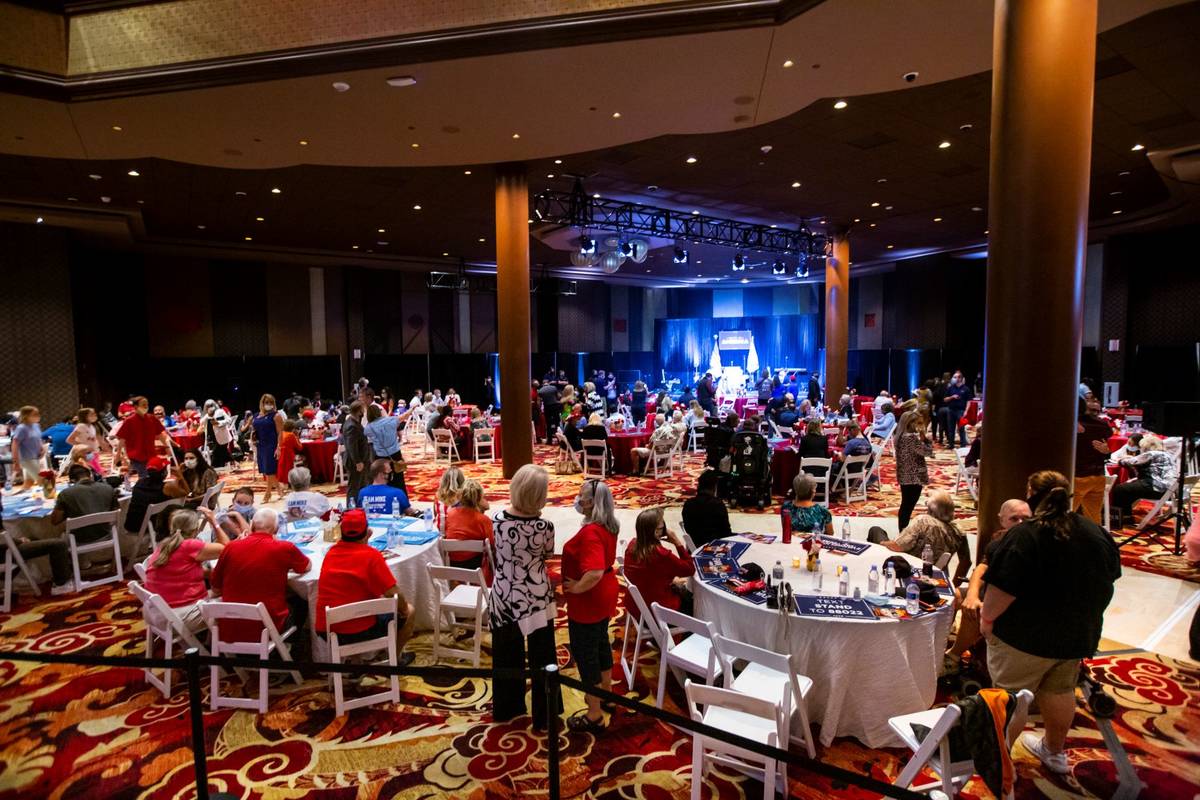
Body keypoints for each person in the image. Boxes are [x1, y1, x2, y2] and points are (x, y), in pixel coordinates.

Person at [981, 470, 1121, 775]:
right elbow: (1109, 581)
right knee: (1060, 691)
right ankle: (1054, 751)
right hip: (1075, 635)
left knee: (1011, 698)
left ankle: (1000, 762)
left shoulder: (1025, 535)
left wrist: (987, 620)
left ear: (1030, 492)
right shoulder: (1093, 531)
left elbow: (1001, 590)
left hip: (1025, 637)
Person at [490, 464, 561, 727]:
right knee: (543, 657)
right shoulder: (545, 527)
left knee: (506, 655)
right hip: (535, 595)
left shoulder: (496, 520)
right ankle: (545, 715)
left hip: (504, 594)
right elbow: (547, 556)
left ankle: (508, 708)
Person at [315, 508, 416, 665]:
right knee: (409, 611)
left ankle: (356, 662)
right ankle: (395, 661)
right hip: (359, 630)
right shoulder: (371, 555)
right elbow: (394, 594)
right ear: (367, 532)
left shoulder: (330, 553)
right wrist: (402, 610)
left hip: (327, 629)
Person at [562, 480, 620, 733]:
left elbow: (594, 572)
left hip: (589, 599)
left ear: (593, 502)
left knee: (586, 653)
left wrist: (575, 588)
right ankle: (607, 695)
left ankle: (594, 714)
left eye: (582, 496)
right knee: (600, 643)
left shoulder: (591, 534)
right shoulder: (609, 525)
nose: (578, 498)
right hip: (606, 593)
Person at [946, 498, 1031, 664]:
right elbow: (982, 568)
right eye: (1014, 519)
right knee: (954, 596)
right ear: (1002, 520)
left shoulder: (1031, 542)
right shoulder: (1000, 538)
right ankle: (942, 641)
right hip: (996, 591)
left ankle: (954, 656)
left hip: (1015, 600)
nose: (1021, 523)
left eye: (1026, 519)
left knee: (975, 608)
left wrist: (976, 599)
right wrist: (971, 594)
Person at [210, 508, 312, 643]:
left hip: (230, 628)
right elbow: (306, 566)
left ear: (251, 526)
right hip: (268, 627)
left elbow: (216, 588)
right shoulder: (284, 548)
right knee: (301, 600)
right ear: (276, 530)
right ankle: (291, 649)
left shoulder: (231, 547)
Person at [145, 507, 228, 632]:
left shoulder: (164, 545)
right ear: (195, 530)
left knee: (217, 591)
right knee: (234, 597)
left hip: (155, 613)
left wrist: (213, 575)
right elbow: (228, 548)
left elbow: (183, 572)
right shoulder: (189, 545)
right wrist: (213, 522)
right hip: (178, 617)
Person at [624, 507, 695, 620]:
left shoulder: (632, 545)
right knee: (694, 602)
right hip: (658, 613)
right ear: (656, 532)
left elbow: (651, 574)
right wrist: (677, 542)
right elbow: (690, 569)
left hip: (636, 607)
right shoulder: (661, 555)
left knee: (678, 586)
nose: (665, 529)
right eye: (662, 527)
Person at [869, 490, 968, 565]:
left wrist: (881, 543)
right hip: (937, 569)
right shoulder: (959, 530)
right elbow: (966, 562)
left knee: (875, 531)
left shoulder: (923, 521)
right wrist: (954, 585)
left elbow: (897, 546)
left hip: (908, 564)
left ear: (931, 510)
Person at [1112, 434, 1177, 524]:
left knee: (1119, 489)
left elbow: (1128, 462)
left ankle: (1124, 516)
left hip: (1157, 488)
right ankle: (1127, 513)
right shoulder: (1167, 455)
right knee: (1132, 486)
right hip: (1170, 491)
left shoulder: (1150, 454)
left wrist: (1121, 460)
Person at [51, 463, 121, 544]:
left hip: (78, 538)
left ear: (72, 481)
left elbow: (55, 521)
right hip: (105, 533)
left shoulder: (65, 494)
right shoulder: (108, 488)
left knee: (61, 534)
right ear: (90, 476)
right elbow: (115, 510)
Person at [1073, 396, 1112, 525]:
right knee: (1094, 519)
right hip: (1098, 476)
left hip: (1078, 476)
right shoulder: (1103, 425)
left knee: (1064, 516)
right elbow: (1109, 439)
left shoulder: (1073, 425)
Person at [444, 479, 492, 570]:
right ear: (479, 499)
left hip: (453, 564)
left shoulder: (451, 513)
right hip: (476, 566)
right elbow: (492, 546)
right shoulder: (483, 520)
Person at [895, 413, 932, 530]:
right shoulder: (911, 438)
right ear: (910, 423)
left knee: (905, 505)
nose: (919, 426)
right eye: (918, 423)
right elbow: (927, 452)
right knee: (908, 506)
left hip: (904, 474)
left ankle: (902, 530)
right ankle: (903, 532)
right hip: (914, 476)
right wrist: (926, 440)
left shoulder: (900, 436)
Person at [117, 396, 170, 478]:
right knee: (145, 477)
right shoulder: (129, 421)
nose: (146, 406)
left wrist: (167, 447)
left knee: (157, 475)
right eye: (143, 404)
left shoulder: (152, 418)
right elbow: (122, 439)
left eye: (147, 404)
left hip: (151, 454)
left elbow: (160, 434)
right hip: (137, 456)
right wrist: (118, 456)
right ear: (135, 407)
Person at [681, 470, 732, 546]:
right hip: (716, 547)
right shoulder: (718, 505)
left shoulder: (688, 504)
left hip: (694, 546)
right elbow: (726, 532)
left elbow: (687, 528)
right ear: (715, 487)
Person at [252, 394, 285, 503]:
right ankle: (279, 489)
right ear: (262, 403)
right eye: (267, 402)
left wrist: (278, 447)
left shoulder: (276, 416)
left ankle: (268, 493)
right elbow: (254, 429)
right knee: (266, 471)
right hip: (260, 445)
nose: (269, 405)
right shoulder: (256, 415)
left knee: (270, 470)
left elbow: (280, 433)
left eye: (271, 403)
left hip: (271, 445)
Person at [342, 401, 371, 509]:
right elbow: (351, 447)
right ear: (359, 411)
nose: (364, 411)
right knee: (354, 487)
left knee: (360, 486)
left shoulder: (354, 422)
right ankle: (351, 510)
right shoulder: (351, 426)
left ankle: (359, 509)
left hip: (359, 461)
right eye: (362, 409)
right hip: (354, 462)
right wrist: (358, 462)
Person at [12, 405, 46, 490]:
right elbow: (15, 444)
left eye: (38, 414)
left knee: (28, 482)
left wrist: (42, 449)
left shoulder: (36, 426)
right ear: (26, 416)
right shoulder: (21, 428)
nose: (38, 416)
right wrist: (15, 461)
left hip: (36, 457)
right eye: (35, 414)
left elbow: (38, 439)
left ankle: (16, 499)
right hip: (27, 459)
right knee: (43, 481)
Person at [937, 371, 973, 447]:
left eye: (956, 377)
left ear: (960, 378)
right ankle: (951, 444)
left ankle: (963, 444)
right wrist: (952, 397)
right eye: (954, 377)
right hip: (951, 410)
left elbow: (969, 401)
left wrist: (966, 411)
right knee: (951, 429)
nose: (955, 378)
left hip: (961, 411)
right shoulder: (950, 388)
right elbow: (945, 399)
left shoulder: (966, 389)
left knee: (961, 429)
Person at [67, 407, 105, 476]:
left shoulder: (92, 426)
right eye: (92, 414)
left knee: (96, 472)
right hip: (86, 454)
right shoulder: (81, 426)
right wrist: (82, 447)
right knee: (97, 471)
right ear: (85, 417)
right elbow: (69, 439)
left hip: (95, 452)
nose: (95, 415)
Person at [200, 399, 233, 468]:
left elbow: (229, 420)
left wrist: (219, 423)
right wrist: (207, 416)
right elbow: (201, 422)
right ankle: (230, 462)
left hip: (222, 436)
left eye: (211, 406)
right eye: (207, 406)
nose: (210, 408)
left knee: (216, 452)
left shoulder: (220, 412)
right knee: (221, 451)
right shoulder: (206, 415)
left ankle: (214, 467)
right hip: (212, 438)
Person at [276, 419, 303, 490]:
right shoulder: (291, 435)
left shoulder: (281, 433)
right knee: (305, 458)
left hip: (281, 454)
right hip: (289, 455)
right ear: (293, 428)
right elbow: (300, 448)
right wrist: (297, 437)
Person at [538, 381, 562, 445]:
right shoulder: (553, 387)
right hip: (555, 406)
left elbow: (540, 401)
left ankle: (549, 441)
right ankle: (560, 440)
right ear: (548, 383)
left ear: (543, 384)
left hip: (547, 408)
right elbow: (557, 397)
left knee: (548, 424)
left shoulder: (540, 391)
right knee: (557, 423)